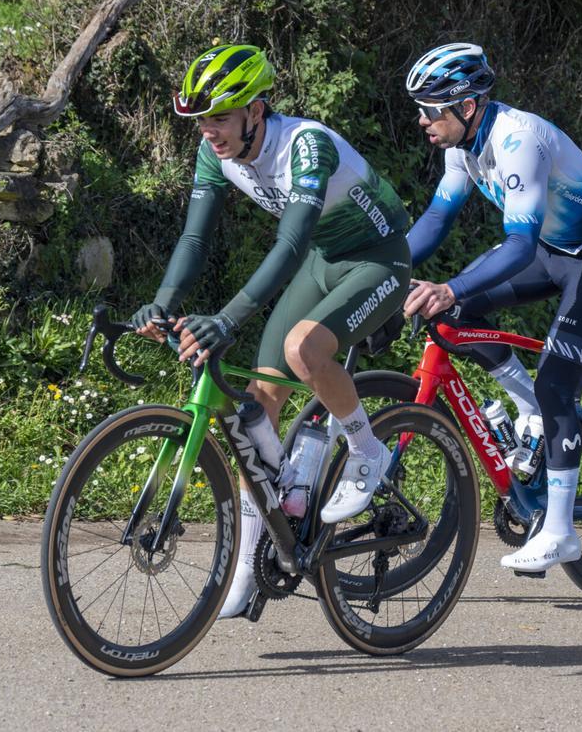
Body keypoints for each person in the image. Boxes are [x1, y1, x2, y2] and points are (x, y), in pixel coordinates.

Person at [133, 44, 411, 615]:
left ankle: (366, 449)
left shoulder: (304, 145)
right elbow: (194, 240)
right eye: (201, 121)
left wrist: (229, 318)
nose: (209, 132)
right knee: (258, 401)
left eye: (220, 117)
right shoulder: (218, 152)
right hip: (325, 258)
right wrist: (163, 302)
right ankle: (256, 552)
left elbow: (288, 243)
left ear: (256, 111)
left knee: (302, 349)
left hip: (379, 258)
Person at [401, 42, 582, 573]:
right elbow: (437, 220)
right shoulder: (460, 145)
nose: (422, 120)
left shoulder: (518, 139)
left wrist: (451, 286)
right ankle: (528, 403)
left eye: (430, 109)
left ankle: (560, 531)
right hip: (552, 251)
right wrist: (385, 271)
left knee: (557, 383)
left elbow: (518, 246)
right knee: (453, 317)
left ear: (466, 106)